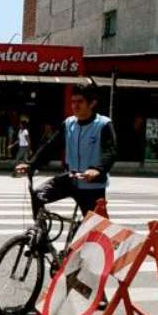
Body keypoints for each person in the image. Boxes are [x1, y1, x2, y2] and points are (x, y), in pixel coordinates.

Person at [16, 83, 117, 217]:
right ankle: (40, 233)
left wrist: (97, 169)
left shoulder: (103, 124)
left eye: (80, 102)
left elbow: (110, 151)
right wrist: (31, 164)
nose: (75, 106)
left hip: (92, 186)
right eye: (73, 102)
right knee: (39, 195)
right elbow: (51, 147)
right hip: (71, 179)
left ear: (92, 103)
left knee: (96, 230)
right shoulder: (69, 124)